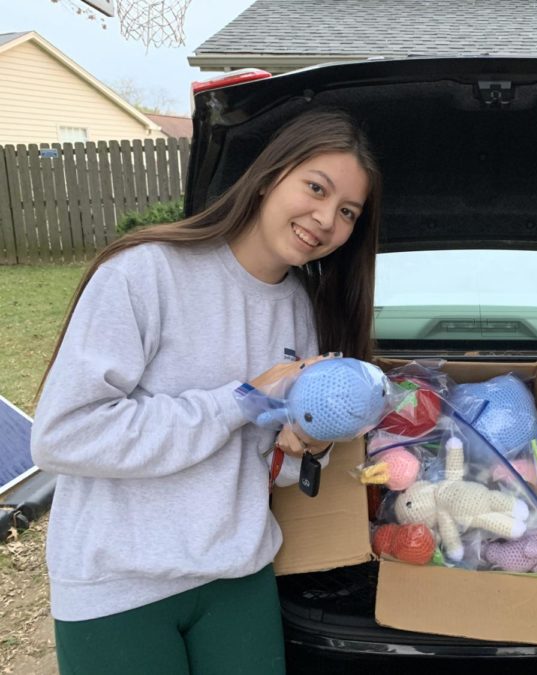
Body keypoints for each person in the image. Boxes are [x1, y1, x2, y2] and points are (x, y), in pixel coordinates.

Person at [30, 108, 382, 675]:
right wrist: (239, 399)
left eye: (347, 212)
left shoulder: (300, 309)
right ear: (270, 174)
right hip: (120, 583)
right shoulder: (145, 273)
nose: (325, 219)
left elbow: (262, 459)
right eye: (315, 188)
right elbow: (64, 436)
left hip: (236, 576)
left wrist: (304, 449)